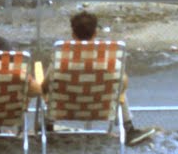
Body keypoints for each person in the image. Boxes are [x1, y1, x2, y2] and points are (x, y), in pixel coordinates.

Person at [41, 10, 155, 145]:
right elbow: (123, 83)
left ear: (73, 34)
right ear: (95, 33)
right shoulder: (108, 60)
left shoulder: (62, 59)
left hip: (65, 109)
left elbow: (44, 87)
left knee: (51, 88)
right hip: (100, 108)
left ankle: (48, 125)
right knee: (119, 87)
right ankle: (128, 129)